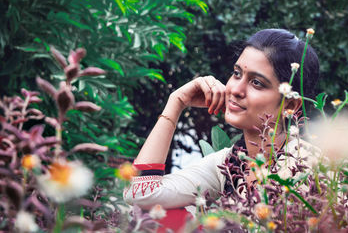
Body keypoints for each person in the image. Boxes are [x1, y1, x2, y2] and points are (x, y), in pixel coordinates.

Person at [123, 29, 320, 222]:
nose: (236, 89)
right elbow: (140, 194)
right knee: (157, 217)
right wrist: (176, 102)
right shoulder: (230, 162)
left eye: (257, 83)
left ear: (290, 104)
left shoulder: (309, 167)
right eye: (236, 74)